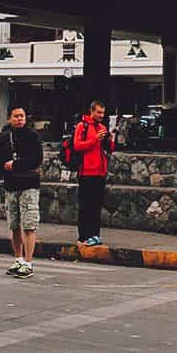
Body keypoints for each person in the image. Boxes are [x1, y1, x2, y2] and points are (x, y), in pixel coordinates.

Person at [0, 106, 42, 279]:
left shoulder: (32, 136)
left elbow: (36, 159)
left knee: (29, 225)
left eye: (22, 116)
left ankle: (28, 262)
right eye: (16, 116)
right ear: (10, 118)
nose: (20, 119)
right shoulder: (5, 137)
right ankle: (18, 259)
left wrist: (16, 164)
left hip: (29, 185)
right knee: (14, 225)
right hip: (11, 185)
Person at [73, 100, 114, 246]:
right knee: (86, 205)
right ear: (92, 111)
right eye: (98, 112)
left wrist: (109, 140)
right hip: (87, 171)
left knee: (96, 205)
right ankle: (84, 236)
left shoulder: (102, 127)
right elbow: (77, 146)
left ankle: (95, 234)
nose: (101, 115)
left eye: (103, 113)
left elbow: (108, 149)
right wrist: (94, 139)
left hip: (100, 170)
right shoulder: (82, 126)